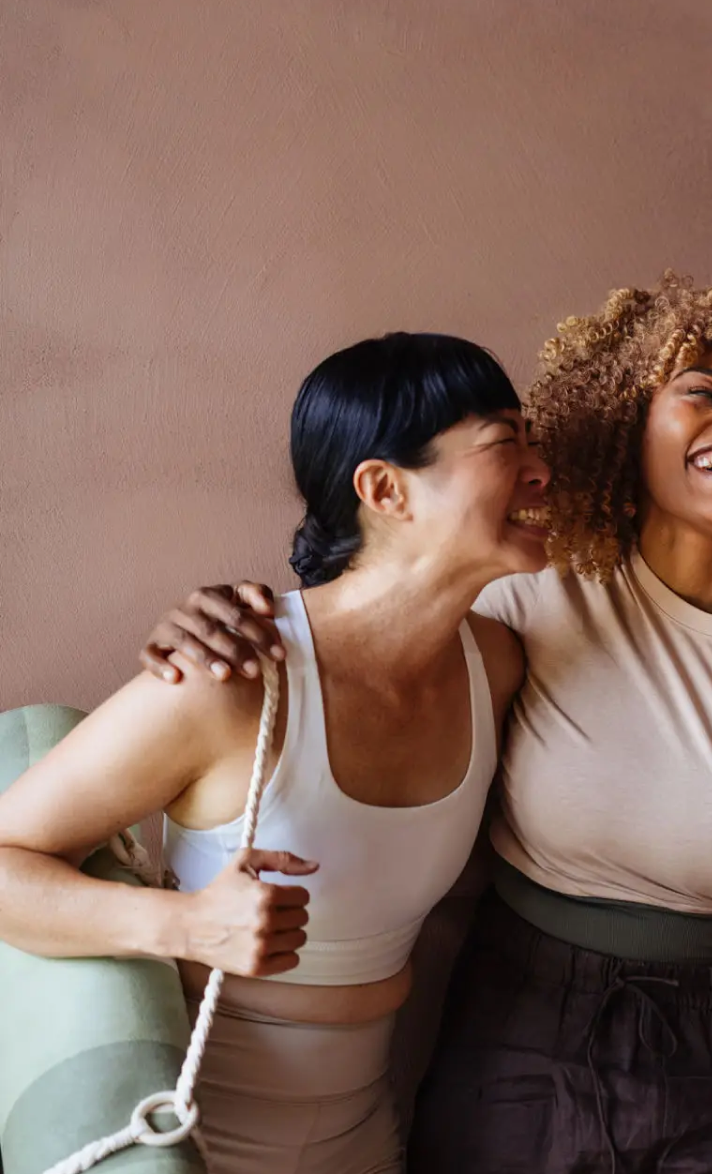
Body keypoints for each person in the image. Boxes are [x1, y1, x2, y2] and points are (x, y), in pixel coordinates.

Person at [139, 275, 712, 1174]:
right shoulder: (525, 589)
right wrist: (222, 616)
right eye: (701, 391)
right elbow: (371, 615)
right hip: (533, 1016)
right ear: (626, 419)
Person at [0, 333, 545, 1171]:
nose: (542, 469)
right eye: (507, 443)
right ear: (385, 488)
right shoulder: (230, 679)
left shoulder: (497, 664)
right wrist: (181, 926)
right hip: (186, 1136)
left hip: (369, 1137)